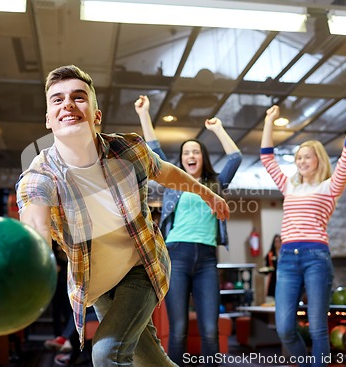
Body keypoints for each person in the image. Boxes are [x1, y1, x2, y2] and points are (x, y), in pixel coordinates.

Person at [15, 64, 229, 367]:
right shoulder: (41, 175)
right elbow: (35, 224)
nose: (68, 105)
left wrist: (208, 194)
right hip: (98, 285)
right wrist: (28, 264)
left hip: (141, 265)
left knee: (106, 354)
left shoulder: (127, 150)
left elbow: (166, 172)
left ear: (97, 116)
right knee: (150, 361)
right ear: (49, 119)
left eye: (79, 97)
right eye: (58, 100)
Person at [135, 95, 242, 367]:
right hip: (177, 257)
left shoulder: (215, 184)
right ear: (181, 161)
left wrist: (217, 129)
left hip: (207, 259)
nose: (191, 156)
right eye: (186, 153)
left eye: (195, 152)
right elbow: (154, 149)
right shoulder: (175, 182)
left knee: (209, 330)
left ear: (202, 158)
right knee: (179, 329)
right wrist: (144, 114)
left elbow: (236, 156)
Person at [260, 99, 346, 367]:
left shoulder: (331, 186)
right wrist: (269, 121)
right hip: (287, 259)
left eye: (307, 156)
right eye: (298, 157)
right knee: (284, 327)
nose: (301, 161)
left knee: (318, 327)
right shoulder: (288, 186)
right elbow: (266, 157)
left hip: (316, 256)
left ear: (318, 159)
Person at [264, 234, 281, 300]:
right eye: (276, 241)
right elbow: (267, 266)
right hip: (273, 277)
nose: (277, 243)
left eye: (279, 241)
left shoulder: (284, 253)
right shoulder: (270, 254)